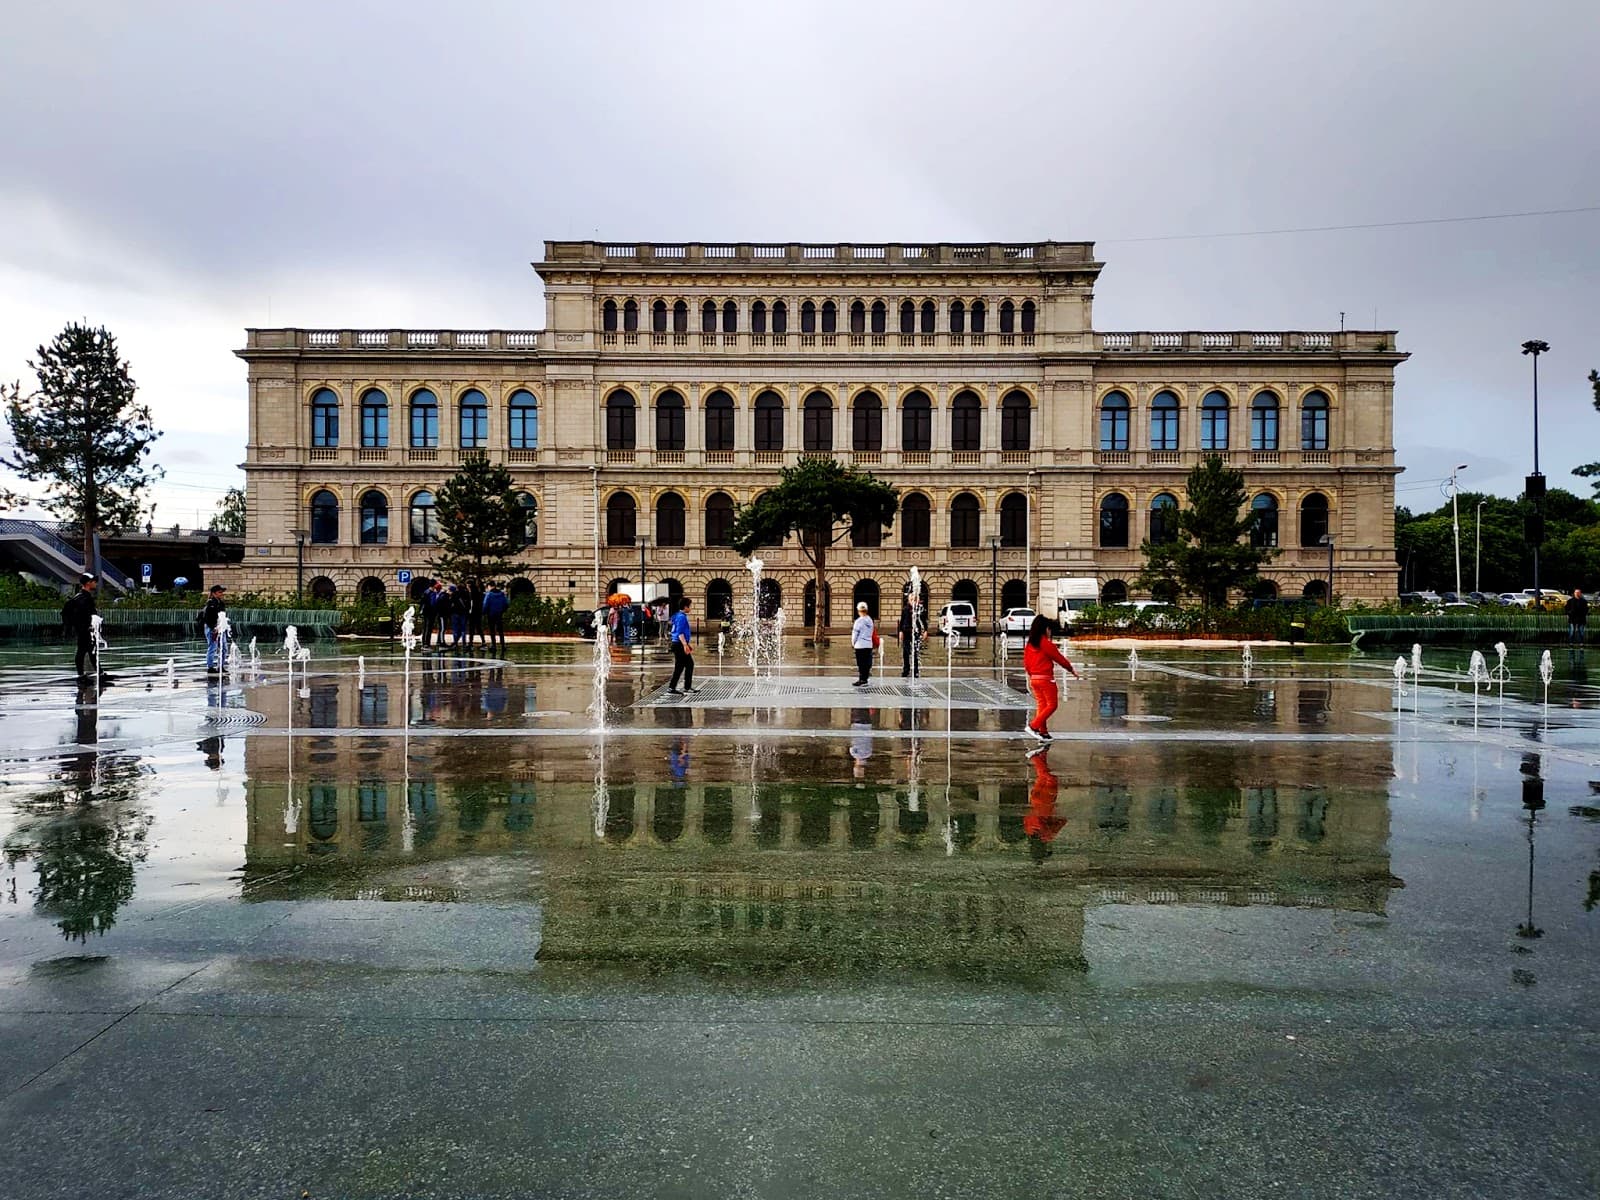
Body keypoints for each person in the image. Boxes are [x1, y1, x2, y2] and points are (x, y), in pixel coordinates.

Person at [1023, 613, 1079, 742]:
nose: (1050, 632)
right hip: (1046, 679)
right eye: (1049, 629)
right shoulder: (1045, 644)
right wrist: (1071, 669)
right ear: (1045, 629)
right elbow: (1059, 658)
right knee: (1052, 705)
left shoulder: (1030, 644)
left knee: (1042, 705)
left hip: (1034, 679)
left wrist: (1032, 675)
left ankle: (1044, 732)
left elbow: (1026, 662)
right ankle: (1033, 726)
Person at [1023, 749, 1064, 864]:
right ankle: (1042, 754)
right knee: (1042, 777)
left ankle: (1035, 757)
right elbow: (1026, 817)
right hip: (1034, 801)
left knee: (1051, 779)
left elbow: (1061, 822)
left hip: (1045, 803)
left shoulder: (1047, 836)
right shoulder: (1029, 831)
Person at [62, 573, 99, 681]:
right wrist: (87, 626)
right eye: (94, 581)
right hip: (85, 629)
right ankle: (83, 675)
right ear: (88, 583)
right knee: (86, 651)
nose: (96, 583)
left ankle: (90, 673)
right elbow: (85, 615)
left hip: (83, 629)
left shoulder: (81, 597)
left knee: (88, 651)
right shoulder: (83, 598)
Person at [667, 597, 697, 693]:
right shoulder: (681, 617)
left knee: (681, 666)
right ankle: (681, 687)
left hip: (677, 644)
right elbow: (680, 632)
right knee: (688, 665)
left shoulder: (677, 615)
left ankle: (675, 687)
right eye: (690, 606)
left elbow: (671, 623)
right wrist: (685, 645)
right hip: (679, 644)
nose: (690, 608)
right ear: (685, 607)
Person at [200, 583, 228, 674]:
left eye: (222, 592)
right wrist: (213, 628)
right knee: (213, 647)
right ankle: (210, 667)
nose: (221, 594)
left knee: (224, 648)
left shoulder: (221, 603)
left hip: (220, 627)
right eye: (219, 592)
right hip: (212, 627)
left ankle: (221, 666)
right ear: (214, 593)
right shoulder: (211, 603)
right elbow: (207, 618)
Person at [897, 592, 925, 679]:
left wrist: (925, 631)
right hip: (906, 632)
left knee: (915, 652)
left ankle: (916, 670)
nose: (913, 601)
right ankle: (906, 669)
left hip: (916, 632)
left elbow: (923, 620)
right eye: (911, 599)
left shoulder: (919, 609)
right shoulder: (905, 609)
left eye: (914, 599)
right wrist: (900, 631)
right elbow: (902, 621)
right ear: (909, 600)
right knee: (906, 652)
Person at [851, 601, 877, 686]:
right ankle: (865, 677)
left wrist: (853, 643)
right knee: (867, 662)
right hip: (868, 644)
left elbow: (855, 634)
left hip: (860, 645)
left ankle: (862, 679)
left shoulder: (858, 621)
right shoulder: (870, 620)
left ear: (858, 611)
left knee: (861, 663)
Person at [483, 582, 509, 652]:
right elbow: (506, 604)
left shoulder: (489, 595)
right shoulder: (502, 594)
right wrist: (502, 610)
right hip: (499, 614)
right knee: (500, 630)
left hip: (491, 614)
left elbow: (485, 605)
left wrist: (484, 612)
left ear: (489, 586)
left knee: (492, 630)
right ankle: (503, 645)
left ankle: (493, 645)